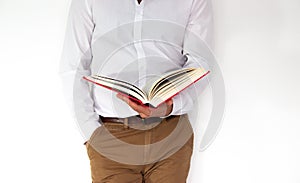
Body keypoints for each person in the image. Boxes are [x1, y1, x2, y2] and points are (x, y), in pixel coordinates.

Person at [59, 0, 213, 182]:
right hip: (112, 134)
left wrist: (170, 106)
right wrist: (91, 133)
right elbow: (73, 67)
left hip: (171, 134)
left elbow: (201, 64)